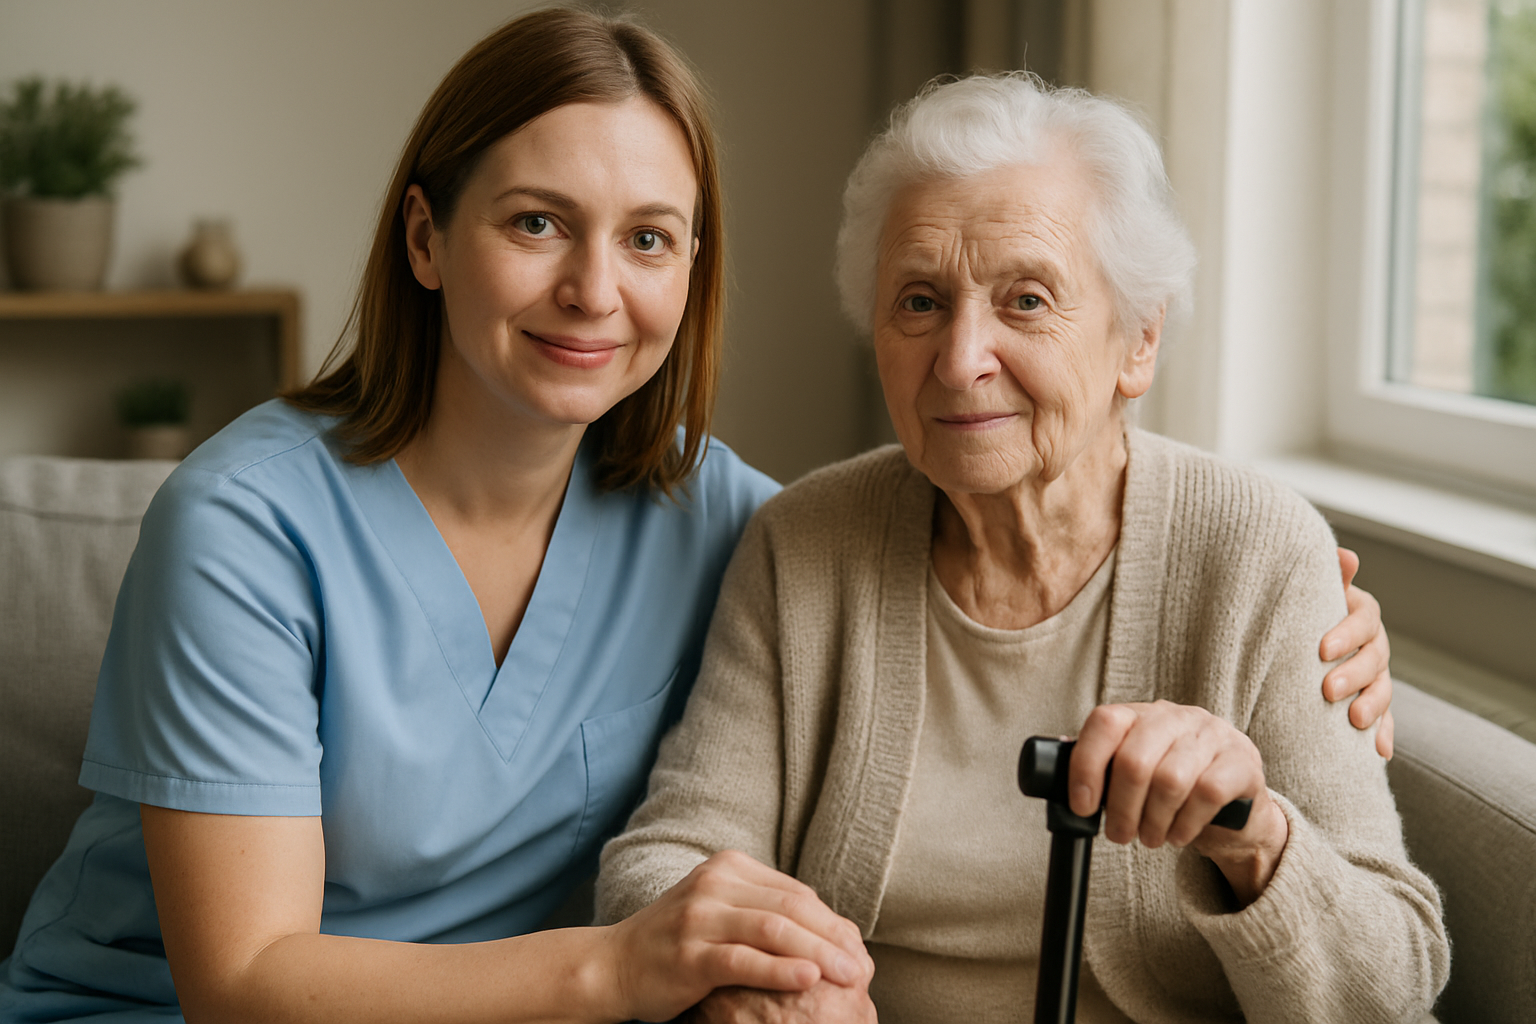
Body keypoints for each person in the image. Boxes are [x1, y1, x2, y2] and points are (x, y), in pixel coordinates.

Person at [0, 13, 1393, 1024]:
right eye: (536, 223)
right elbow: (244, 984)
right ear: (425, 238)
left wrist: (1313, 629)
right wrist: (632, 965)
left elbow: (917, 566)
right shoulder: (245, 525)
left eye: (649, 238)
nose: (594, 289)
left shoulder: (723, 517)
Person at [596, 74, 1447, 1024]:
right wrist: (757, 976)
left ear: (1139, 339)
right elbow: (661, 864)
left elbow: (1392, 984)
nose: (962, 359)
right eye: (920, 301)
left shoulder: (1258, 551)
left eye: (1027, 300)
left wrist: (1255, 838)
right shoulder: (803, 544)